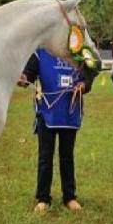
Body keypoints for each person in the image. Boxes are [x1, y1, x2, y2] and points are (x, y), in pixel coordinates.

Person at [18, 49, 94, 213]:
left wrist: (84, 85)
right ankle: (43, 198)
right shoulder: (41, 51)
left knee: (67, 156)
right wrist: (22, 79)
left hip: (70, 111)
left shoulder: (78, 51)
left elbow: (88, 77)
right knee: (45, 156)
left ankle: (70, 197)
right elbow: (27, 76)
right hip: (47, 112)